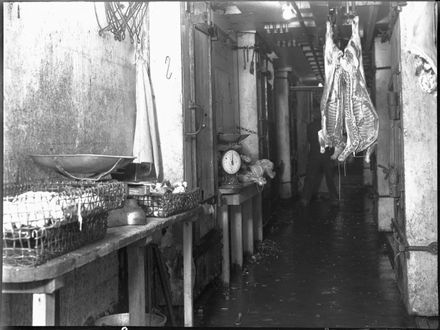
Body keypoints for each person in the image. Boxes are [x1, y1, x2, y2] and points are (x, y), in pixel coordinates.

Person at [301, 110, 339, 207]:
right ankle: (334, 199)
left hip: (314, 155)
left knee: (310, 177)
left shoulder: (310, 126)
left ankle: (305, 199)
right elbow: (332, 141)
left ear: (314, 115)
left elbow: (309, 140)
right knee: (330, 177)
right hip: (327, 155)